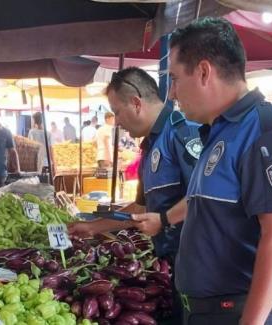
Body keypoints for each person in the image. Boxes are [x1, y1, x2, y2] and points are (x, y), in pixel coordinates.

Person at [134, 17, 272, 325]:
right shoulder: (219, 131)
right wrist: (163, 219)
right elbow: (206, 203)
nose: (172, 94)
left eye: (174, 78)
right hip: (210, 311)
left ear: (203, 72)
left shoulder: (266, 131)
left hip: (239, 312)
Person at [69, 67, 202, 324]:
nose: (116, 121)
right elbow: (141, 209)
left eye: (117, 111)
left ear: (137, 103)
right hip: (176, 265)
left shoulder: (182, 134)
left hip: (199, 267)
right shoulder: (152, 145)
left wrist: (164, 219)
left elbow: (205, 194)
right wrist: (93, 227)